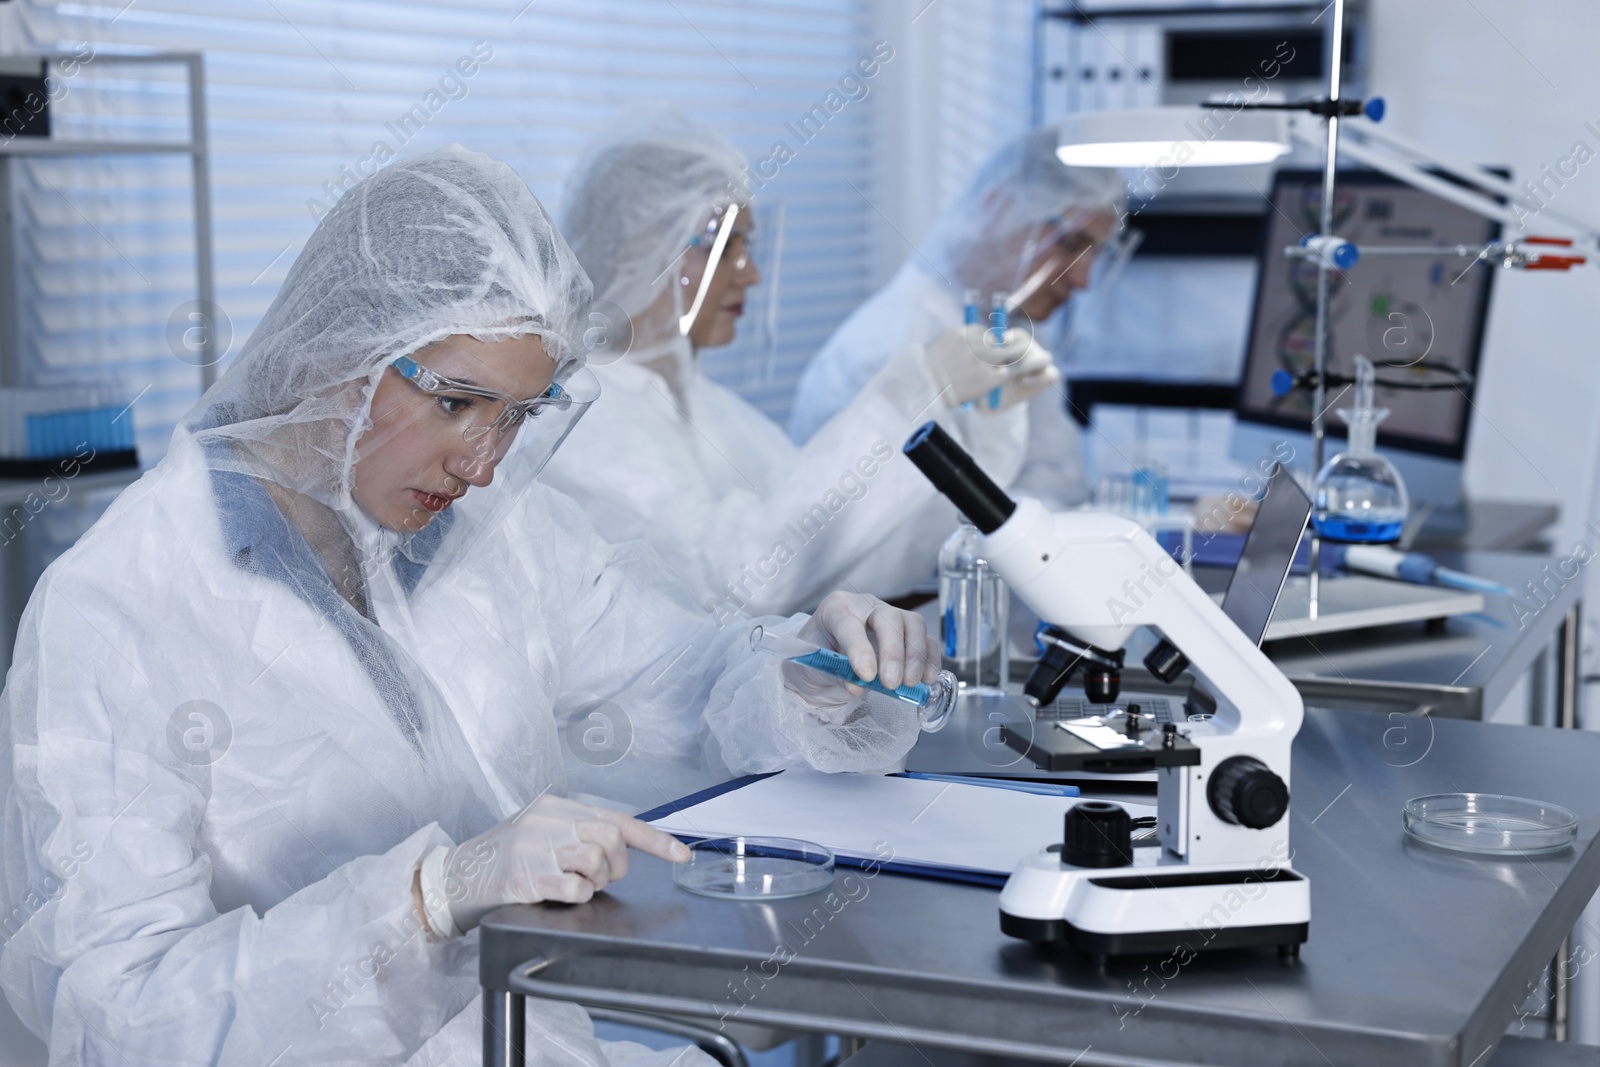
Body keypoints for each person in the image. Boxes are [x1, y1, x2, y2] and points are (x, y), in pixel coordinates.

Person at [0, 147, 937, 1065]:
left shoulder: (495, 536)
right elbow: (118, 1018)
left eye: (518, 415)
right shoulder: (122, 604)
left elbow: (684, 679)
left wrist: (809, 670)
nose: (484, 463)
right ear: (339, 353)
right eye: (457, 403)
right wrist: (426, 898)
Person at [542, 107, 1056, 617]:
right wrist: (914, 390)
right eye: (724, 249)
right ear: (641, 251)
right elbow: (736, 579)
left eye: (748, 248)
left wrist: (985, 428)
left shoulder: (714, 411)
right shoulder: (581, 418)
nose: (751, 275)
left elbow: (854, 561)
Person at [788, 127, 1127, 510]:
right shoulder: (888, 346)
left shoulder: (1011, 331)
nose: (1082, 280)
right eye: (1068, 244)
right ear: (998, 208)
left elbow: (1059, 479)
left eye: (1096, 255)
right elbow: (890, 535)